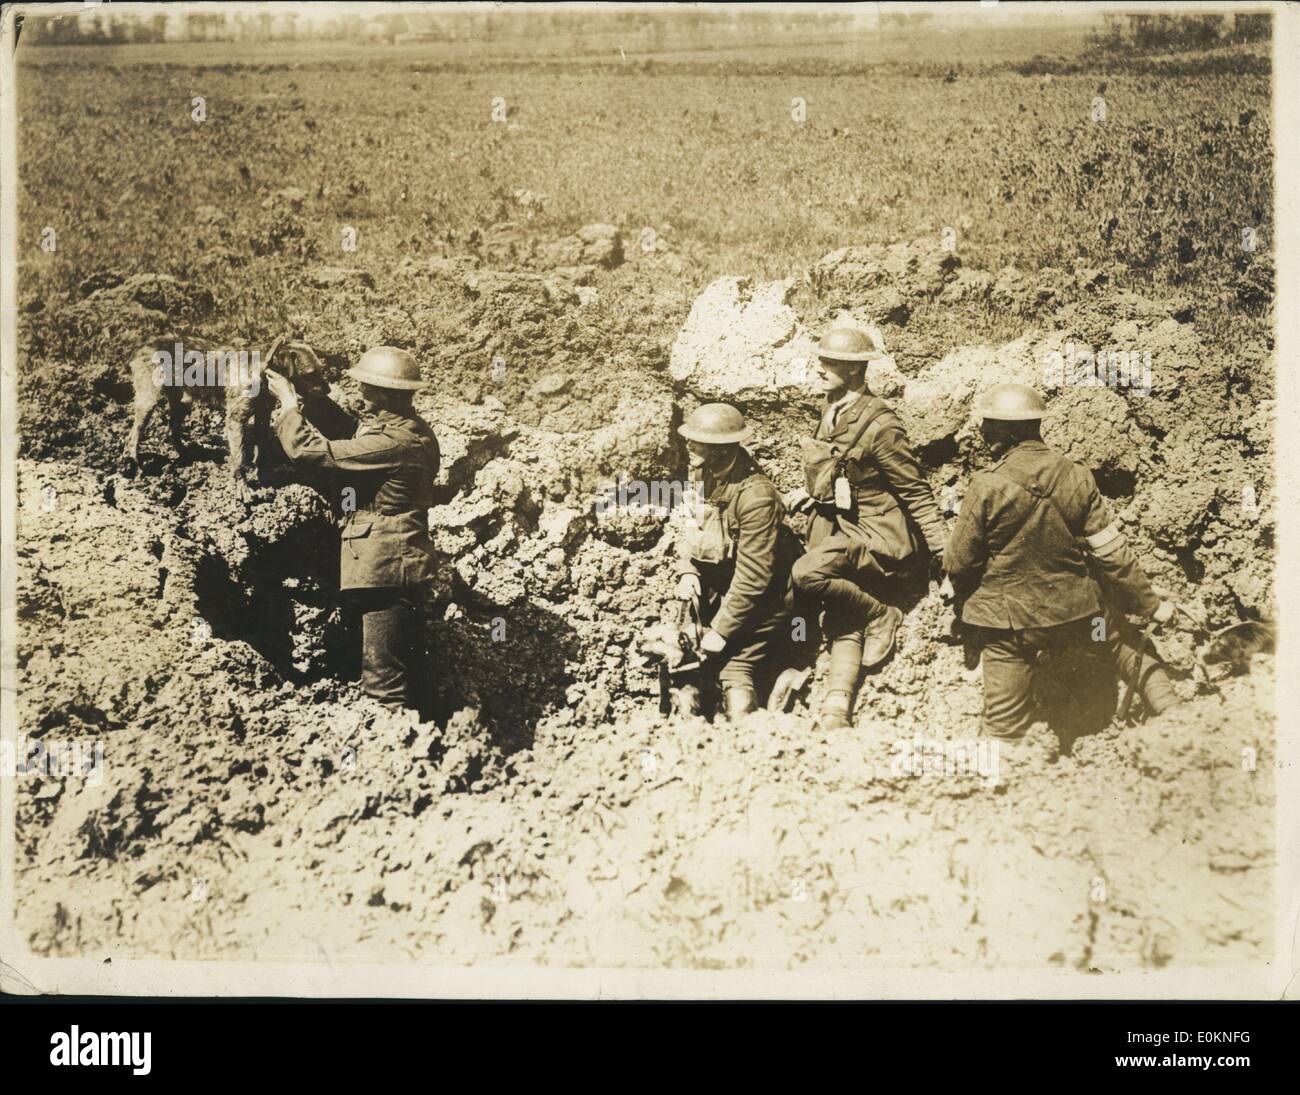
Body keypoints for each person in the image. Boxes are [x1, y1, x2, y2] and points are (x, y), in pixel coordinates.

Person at [944, 382, 1184, 744]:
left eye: (989, 424)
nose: (982, 432)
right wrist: (1151, 606)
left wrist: (966, 599)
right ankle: (1177, 715)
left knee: (1003, 720)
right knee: (1119, 642)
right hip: (1080, 622)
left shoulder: (986, 485)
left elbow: (959, 563)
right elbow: (1112, 554)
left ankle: (1000, 771)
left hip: (1013, 633)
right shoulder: (1077, 476)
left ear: (1009, 432)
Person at [786, 327, 948, 730]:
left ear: (857, 370)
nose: (820, 369)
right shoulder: (831, 407)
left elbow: (916, 493)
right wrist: (814, 493)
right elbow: (841, 470)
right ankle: (835, 710)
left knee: (807, 574)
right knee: (832, 607)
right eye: (821, 360)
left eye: (832, 363)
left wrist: (946, 556)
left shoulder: (882, 426)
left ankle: (881, 616)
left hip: (878, 539)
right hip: (839, 523)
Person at [264, 346, 440, 711]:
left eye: (367, 389)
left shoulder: (392, 443)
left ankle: (392, 751)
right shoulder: (414, 432)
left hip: (385, 569)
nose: (360, 395)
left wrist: (288, 405)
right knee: (402, 670)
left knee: (383, 686)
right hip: (400, 563)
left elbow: (314, 453)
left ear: (385, 394)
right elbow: (356, 438)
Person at [673, 403, 802, 720]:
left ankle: (750, 728)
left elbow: (755, 577)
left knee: (732, 666)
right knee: (685, 647)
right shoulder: (704, 474)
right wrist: (688, 569)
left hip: (767, 601)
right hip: (727, 588)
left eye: (697, 442)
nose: (688, 447)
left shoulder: (757, 496)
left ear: (719, 450)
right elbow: (693, 528)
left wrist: (722, 630)